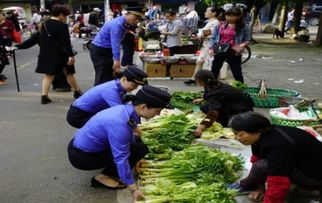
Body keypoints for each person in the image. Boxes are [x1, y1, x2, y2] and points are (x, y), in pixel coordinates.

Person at [67, 85, 171, 201]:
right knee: (137, 150)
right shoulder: (120, 123)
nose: (158, 114)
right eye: (158, 110)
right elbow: (121, 158)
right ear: (143, 106)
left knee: (137, 143)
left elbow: (131, 129)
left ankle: (110, 169)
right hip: (82, 157)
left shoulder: (126, 110)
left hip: (80, 146)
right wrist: (133, 188)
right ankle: (103, 177)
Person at [228, 112, 322, 203]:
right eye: (235, 134)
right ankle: (247, 185)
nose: (237, 138)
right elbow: (257, 160)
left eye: (241, 134)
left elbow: (278, 181)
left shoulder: (277, 145)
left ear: (257, 131)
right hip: (299, 164)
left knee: (264, 166)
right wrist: (260, 188)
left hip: (315, 177)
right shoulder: (261, 135)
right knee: (260, 164)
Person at [67, 66, 148, 128]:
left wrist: (126, 98)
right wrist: (136, 126)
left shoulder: (117, 85)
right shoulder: (110, 90)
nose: (135, 88)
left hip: (87, 112)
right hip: (79, 116)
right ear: (123, 79)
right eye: (134, 85)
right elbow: (121, 113)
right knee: (112, 125)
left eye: (137, 86)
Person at [36, 5, 81, 104]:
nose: (65, 18)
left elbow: (43, 41)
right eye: (65, 16)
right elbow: (66, 43)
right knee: (69, 73)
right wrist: (71, 56)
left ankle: (44, 96)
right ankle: (77, 91)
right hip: (62, 54)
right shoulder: (62, 26)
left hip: (48, 54)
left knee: (49, 75)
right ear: (60, 14)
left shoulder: (45, 24)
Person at [89, 10, 144, 86]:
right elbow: (115, 43)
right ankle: (97, 95)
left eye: (139, 19)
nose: (137, 21)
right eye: (136, 17)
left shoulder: (124, 21)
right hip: (100, 50)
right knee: (102, 76)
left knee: (108, 75)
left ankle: (108, 94)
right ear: (128, 14)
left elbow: (131, 29)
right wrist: (117, 60)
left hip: (104, 49)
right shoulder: (117, 25)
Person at [192, 70, 253, 137]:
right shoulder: (215, 84)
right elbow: (214, 95)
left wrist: (200, 128)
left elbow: (213, 113)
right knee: (204, 106)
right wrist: (202, 99)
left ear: (200, 82)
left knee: (213, 112)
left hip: (241, 113)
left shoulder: (215, 92)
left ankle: (226, 121)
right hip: (240, 106)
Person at [209, 8, 250, 83]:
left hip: (233, 52)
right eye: (227, 15)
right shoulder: (220, 25)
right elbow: (213, 38)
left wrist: (240, 46)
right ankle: (211, 89)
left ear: (238, 16)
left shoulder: (244, 27)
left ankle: (240, 91)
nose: (229, 18)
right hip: (220, 49)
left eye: (232, 16)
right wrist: (211, 49)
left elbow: (247, 40)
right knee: (214, 70)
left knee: (237, 73)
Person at [184, 6, 220, 85]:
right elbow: (204, 33)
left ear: (214, 13)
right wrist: (199, 35)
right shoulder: (209, 22)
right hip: (205, 45)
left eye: (207, 11)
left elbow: (213, 35)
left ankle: (209, 81)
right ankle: (194, 78)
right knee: (199, 61)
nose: (205, 13)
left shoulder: (215, 22)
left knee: (208, 64)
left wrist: (201, 35)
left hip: (210, 46)